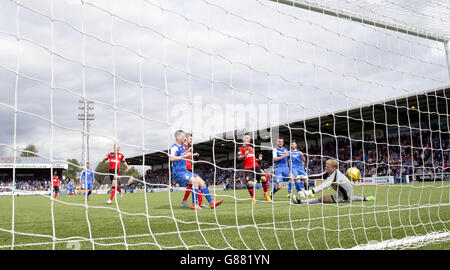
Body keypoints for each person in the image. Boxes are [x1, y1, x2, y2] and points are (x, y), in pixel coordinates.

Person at [170, 130, 223, 210]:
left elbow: (183, 155)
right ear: (179, 137)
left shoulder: (181, 147)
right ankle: (194, 204)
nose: (185, 138)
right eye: (184, 136)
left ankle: (211, 203)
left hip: (185, 171)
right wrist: (186, 155)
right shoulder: (174, 147)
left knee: (201, 182)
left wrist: (189, 154)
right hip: (178, 173)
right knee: (195, 182)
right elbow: (172, 158)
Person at [291, 159, 375, 205]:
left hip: (343, 198)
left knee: (321, 199)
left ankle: (300, 202)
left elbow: (324, 185)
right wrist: (305, 177)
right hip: (346, 195)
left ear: (334, 168)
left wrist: (309, 192)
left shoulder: (335, 177)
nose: (326, 168)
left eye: (328, 167)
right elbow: (319, 175)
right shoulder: (332, 172)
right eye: (326, 166)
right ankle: (364, 198)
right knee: (349, 197)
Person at [238, 133, 271, 204]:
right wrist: (245, 155)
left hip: (256, 166)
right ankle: (253, 198)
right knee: (249, 183)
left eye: (249, 138)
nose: (248, 139)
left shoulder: (251, 147)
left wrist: (259, 159)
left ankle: (265, 193)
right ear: (243, 139)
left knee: (263, 179)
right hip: (247, 168)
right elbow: (239, 157)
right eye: (247, 138)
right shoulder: (240, 148)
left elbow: (252, 158)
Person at [180, 133, 206, 208]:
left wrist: (192, 153)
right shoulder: (182, 146)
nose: (191, 140)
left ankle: (194, 202)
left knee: (194, 185)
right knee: (194, 184)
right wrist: (191, 152)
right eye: (190, 139)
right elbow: (181, 155)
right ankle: (194, 203)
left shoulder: (188, 146)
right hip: (185, 168)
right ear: (186, 139)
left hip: (189, 167)